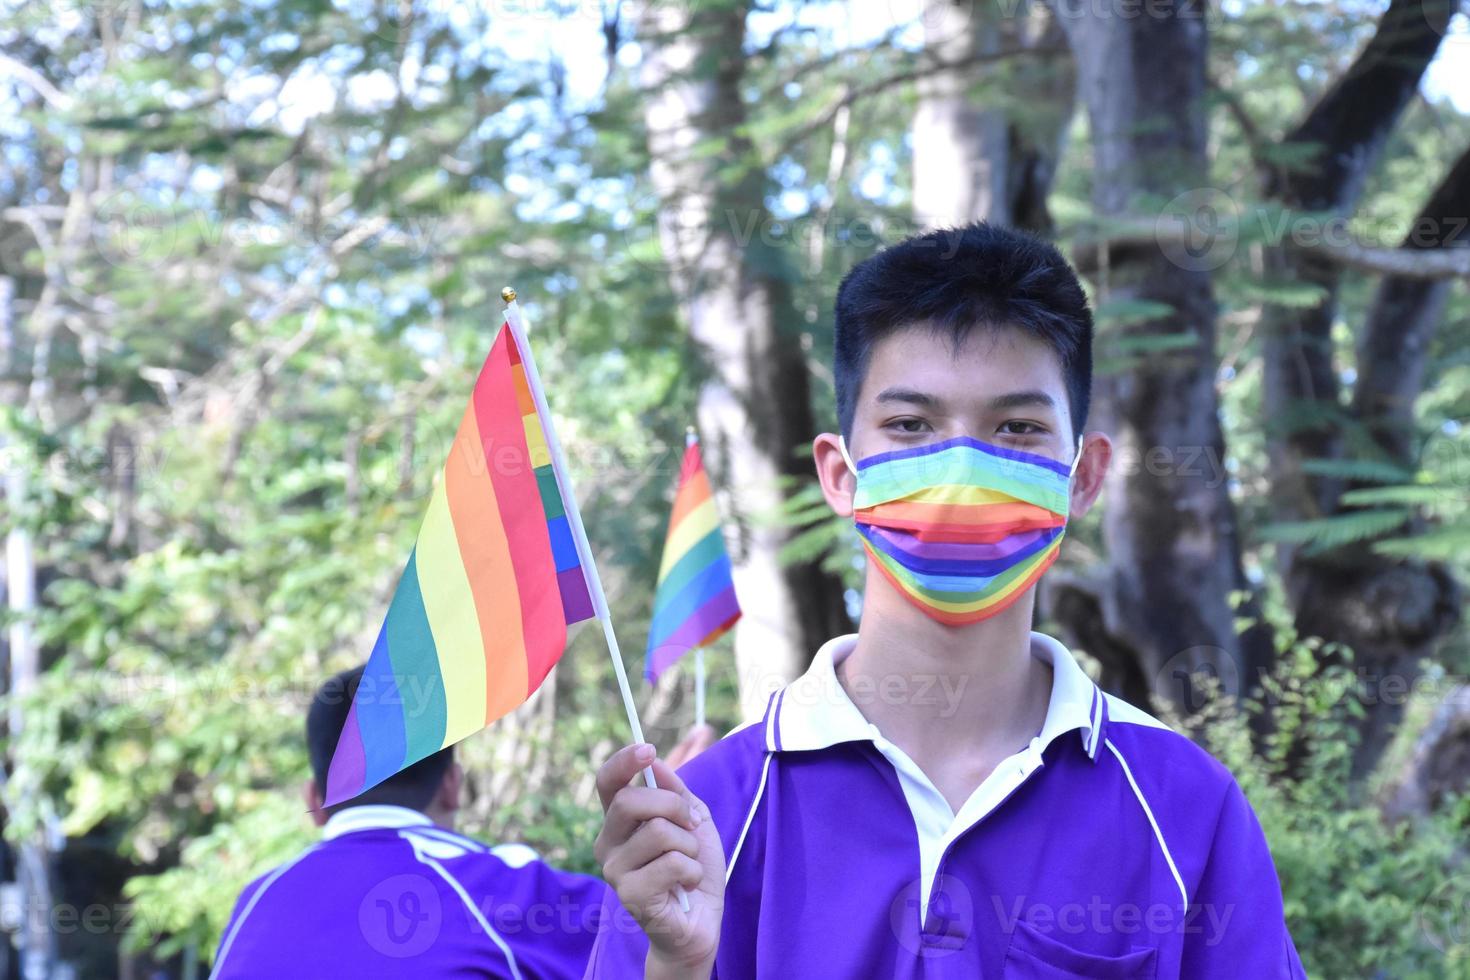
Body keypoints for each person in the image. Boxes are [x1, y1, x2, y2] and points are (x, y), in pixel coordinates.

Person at [586, 223, 1307, 978]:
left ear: (1083, 476)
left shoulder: (1187, 808)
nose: (962, 468)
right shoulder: (705, 813)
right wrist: (678, 963)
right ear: (840, 473)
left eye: (1018, 429)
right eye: (910, 426)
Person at [213, 665, 715, 978]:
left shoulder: (254, 902)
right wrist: (668, 810)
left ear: (315, 801)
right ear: (452, 786)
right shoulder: (507, 885)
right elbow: (659, 932)